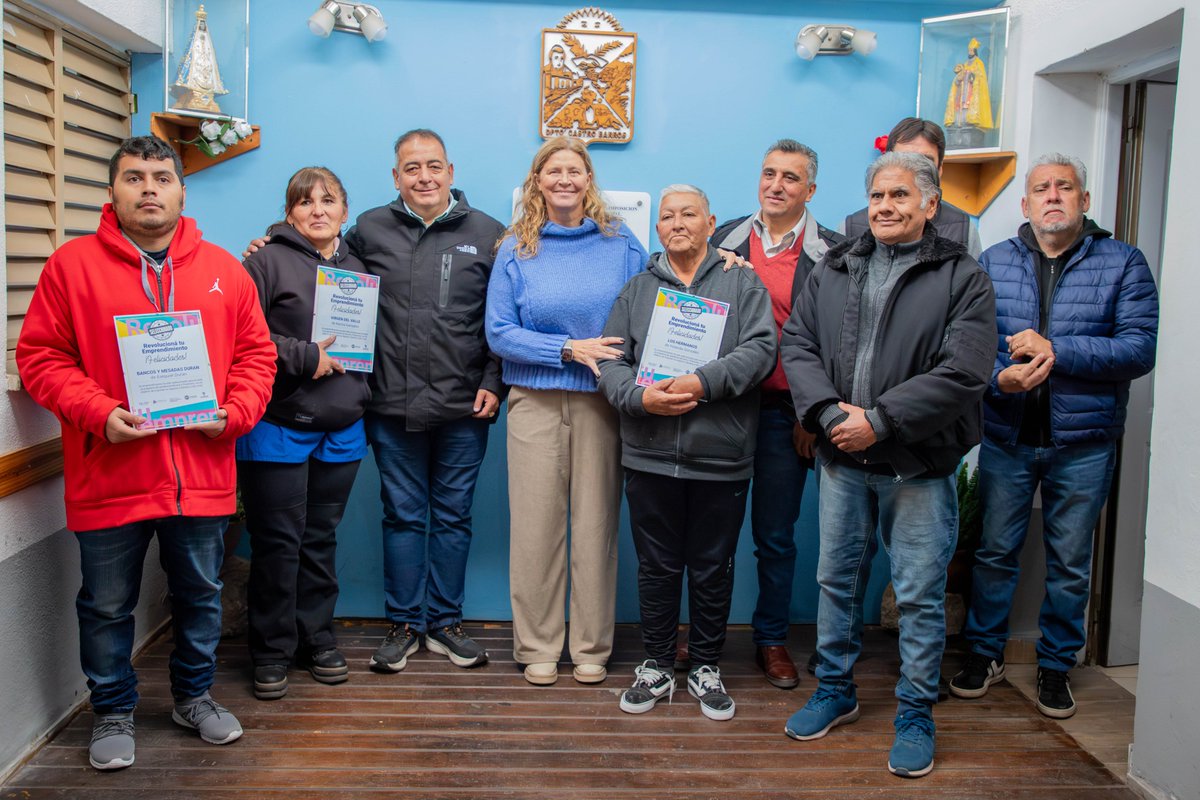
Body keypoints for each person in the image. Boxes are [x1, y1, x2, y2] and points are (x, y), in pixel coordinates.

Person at [16, 135, 276, 770]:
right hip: (110, 471)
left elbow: (256, 356)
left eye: (162, 177)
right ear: (112, 192)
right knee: (106, 605)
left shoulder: (223, 269)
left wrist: (234, 413)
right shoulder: (70, 267)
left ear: (182, 191)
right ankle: (111, 709)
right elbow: (39, 358)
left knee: (200, 595)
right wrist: (99, 414)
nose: (149, 189)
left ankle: (194, 698)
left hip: (201, 472)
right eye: (134, 178)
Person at [780, 151, 996, 778]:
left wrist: (880, 419)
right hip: (843, 458)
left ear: (930, 205)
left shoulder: (962, 277)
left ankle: (915, 710)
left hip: (919, 462)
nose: (885, 207)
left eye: (900, 196)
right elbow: (798, 342)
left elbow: (965, 371)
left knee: (921, 595)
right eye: (877, 196)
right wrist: (825, 414)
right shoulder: (837, 266)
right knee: (836, 580)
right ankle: (836, 690)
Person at [950, 154, 1158, 718]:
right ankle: (984, 654)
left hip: (1084, 443)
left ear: (1084, 201)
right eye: (1041, 188)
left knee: (1070, 560)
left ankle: (1055, 665)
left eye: (1065, 187)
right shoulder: (995, 261)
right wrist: (1000, 376)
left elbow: (1139, 349)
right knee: (994, 553)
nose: (1053, 196)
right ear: (1025, 204)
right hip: (1006, 436)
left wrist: (1056, 350)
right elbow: (971, 345)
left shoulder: (1123, 263)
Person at [599, 185, 776, 720]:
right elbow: (610, 361)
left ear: (711, 222)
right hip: (649, 453)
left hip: (720, 457)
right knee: (655, 567)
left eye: (689, 214)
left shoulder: (742, 281)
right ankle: (655, 663)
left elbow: (762, 350)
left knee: (711, 566)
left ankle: (704, 665)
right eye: (668, 216)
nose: (677, 222)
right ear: (658, 228)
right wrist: (640, 398)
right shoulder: (636, 289)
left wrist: (702, 382)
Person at [486, 136, 648, 686]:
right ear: (537, 181)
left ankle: (591, 647)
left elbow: (653, 303)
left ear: (588, 180)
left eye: (574, 171)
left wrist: (724, 257)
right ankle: (536, 645)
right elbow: (499, 332)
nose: (564, 179)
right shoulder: (515, 247)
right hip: (533, 402)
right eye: (553, 170)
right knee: (535, 528)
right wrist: (565, 349)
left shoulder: (622, 244)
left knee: (597, 526)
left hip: (602, 402)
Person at [711, 139, 843, 689]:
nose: (777, 185)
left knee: (775, 535)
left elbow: (839, 340)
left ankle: (770, 638)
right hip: (721, 407)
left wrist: (813, 414)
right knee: (711, 532)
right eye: (769, 173)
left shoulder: (834, 252)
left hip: (785, 411)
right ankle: (707, 638)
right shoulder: (724, 239)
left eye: (791, 178)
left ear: (810, 190)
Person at [238, 167, 370, 700]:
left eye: (329, 200)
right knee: (277, 544)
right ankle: (270, 650)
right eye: (305, 201)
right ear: (290, 211)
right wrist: (303, 356)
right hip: (278, 425)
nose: (317, 209)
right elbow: (241, 335)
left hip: (342, 428)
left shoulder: (360, 268)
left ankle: (316, 638)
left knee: (319, 541)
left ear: (344, 210)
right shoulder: (263, 262)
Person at [842, 117, 983, 259]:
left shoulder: (963, 229)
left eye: (925, 162)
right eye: (905, 159)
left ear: (940, 169)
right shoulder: (850, 227)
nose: (915, 170)